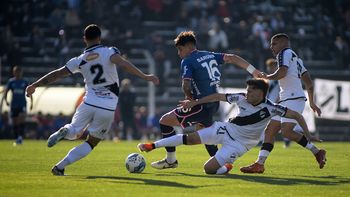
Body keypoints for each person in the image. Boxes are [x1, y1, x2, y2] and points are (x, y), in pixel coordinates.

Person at [25, 24, 159, 176]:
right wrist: (145, 76)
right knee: (91, 142)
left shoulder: (79, 60)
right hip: (107, 106)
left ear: (84, 39)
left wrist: (35, 85)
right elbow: (123, 64)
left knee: (74, 131)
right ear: (100, 37)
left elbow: (57, 74)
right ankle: (60, 166)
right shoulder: (109, 52)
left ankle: (66, 131)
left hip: (88, 101)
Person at [138, 79, 317, 174]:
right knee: (191, 137)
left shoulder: (272, 108)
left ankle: (225, 168)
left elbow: (297, 115)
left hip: (240, 144)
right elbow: (217, 96)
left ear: (261, 93)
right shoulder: (240, 97)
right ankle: (152, 146)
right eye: (247, 90)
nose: (247, 93)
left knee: (208, 169)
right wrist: (195, 102)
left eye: (252, 91)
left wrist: (307, 134)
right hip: (225, 129)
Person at [150, 30, 264, 170]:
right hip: (213, 102)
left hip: (201, 104)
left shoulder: (188, 60)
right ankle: (219, 163)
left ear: (188, 46)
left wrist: (191, 100)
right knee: (205, 134)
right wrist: (253, 71)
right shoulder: (209, 55)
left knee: (165, 121)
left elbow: (186, 85)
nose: (179, 53)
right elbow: (232, 57)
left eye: (180, 49)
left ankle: (170, 160)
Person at [240, 33, 325, 174]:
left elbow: (282, 72)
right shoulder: (297, 59)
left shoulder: (283, 53)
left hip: (292, 99)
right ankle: (259, 164)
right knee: (270, 131)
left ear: (283, 43)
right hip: (290, 99)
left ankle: (316, 151)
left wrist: (267, 77)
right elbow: (309, 83)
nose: (271, 47)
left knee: (286, 132)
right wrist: (312, 102)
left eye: (274, 44)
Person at [0, 66, 33, 145]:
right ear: (14, 72)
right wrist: (6, 101)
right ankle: (17, 138)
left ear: (21, 72)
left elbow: (30, 92)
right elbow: (6, 92)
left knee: (21, 119)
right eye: (16, 72)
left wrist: (32, 103)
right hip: (13, 105)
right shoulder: (11, 82)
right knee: (14, 122)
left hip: (22, 104)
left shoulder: (24, 82)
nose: (17, 73)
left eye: (19, 72)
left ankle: (20, 137)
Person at [265, 58, 291, 148]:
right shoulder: (269, 78)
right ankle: (264, 142)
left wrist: (278, 100)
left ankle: (287, 140)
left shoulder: (280, 78)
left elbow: (282, 90)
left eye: (272, 66)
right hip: (269, 103)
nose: (270, 68)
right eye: (269, 66)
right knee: (270, 124)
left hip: (278, 103)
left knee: (279, 123)